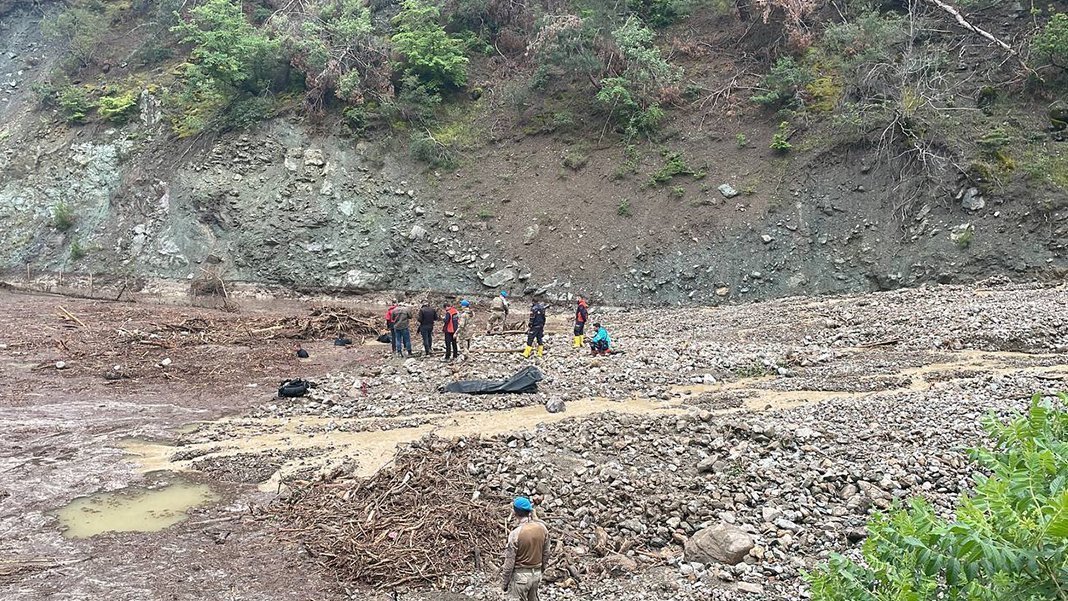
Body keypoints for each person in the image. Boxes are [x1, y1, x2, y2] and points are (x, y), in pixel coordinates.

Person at [501, 497, 549, 600]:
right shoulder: (543, 528)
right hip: (536, 575)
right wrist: (541, 570)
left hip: (521, 577)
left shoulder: (515, 534)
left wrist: (504, 583)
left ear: (515, 512)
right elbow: (546, 554)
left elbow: (509, 562)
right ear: (529, 511)